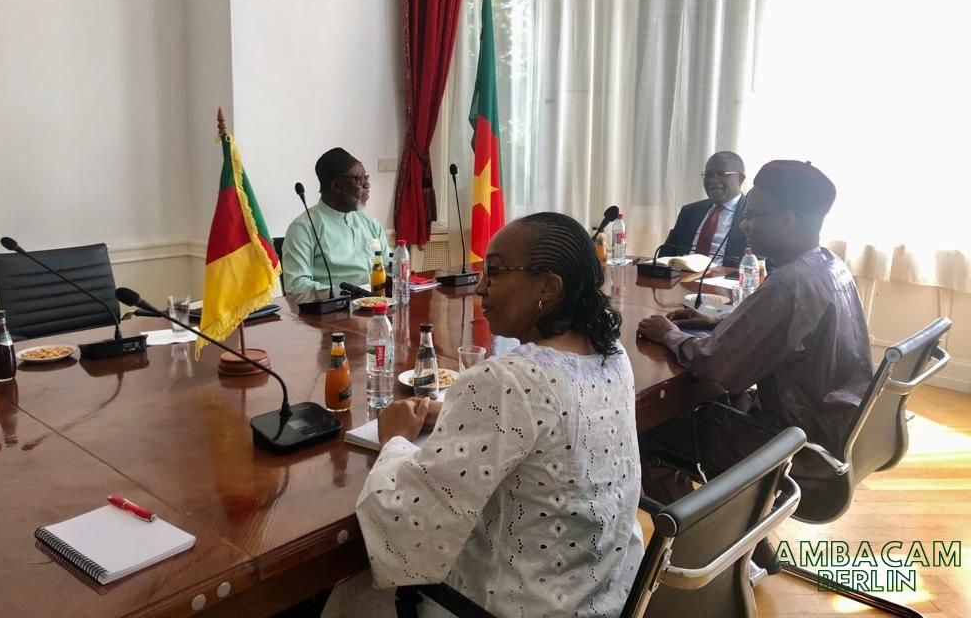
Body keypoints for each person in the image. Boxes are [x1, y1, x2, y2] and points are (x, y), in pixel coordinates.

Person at [325, 213, 644, 617]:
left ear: (548, 286)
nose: (479, 287)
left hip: (507, 606)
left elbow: (408, 522)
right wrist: (456, 412)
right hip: (602, 590)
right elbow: (552, 431)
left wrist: (394, 438)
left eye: (494, 273)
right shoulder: (612, 356)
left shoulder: (509, 380)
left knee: (344, 592)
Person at [637, 160, 874, 520]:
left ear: (787, 220)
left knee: (649, 432)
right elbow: (787, 332)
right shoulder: (829, 264)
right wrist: (718, 321)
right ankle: (739, 537)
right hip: (832, 429)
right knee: (697, 408)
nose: (744, 225)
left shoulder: (789, 284)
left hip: (793, 446)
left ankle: (702, 538)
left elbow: (715, 366)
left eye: (753, 215)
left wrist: (668, 333)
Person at [281, 148, 388, 293]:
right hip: (338, 305)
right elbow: (296, 285)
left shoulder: (369, 222)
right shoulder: (303, 227)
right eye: (359, 179)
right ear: (336, 185)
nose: (367, 185)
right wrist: (341, 293)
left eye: (366, 177)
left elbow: (388, 264)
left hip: (379, 301)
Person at [658, 150, 748, 266]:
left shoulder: (753, 216)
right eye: (708, 175)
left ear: (740, 179)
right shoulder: (689, 212)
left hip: (725, 276)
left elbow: (760, 266)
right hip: (682, 275)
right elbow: (665, 254)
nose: (713, 180)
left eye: (721, 174)